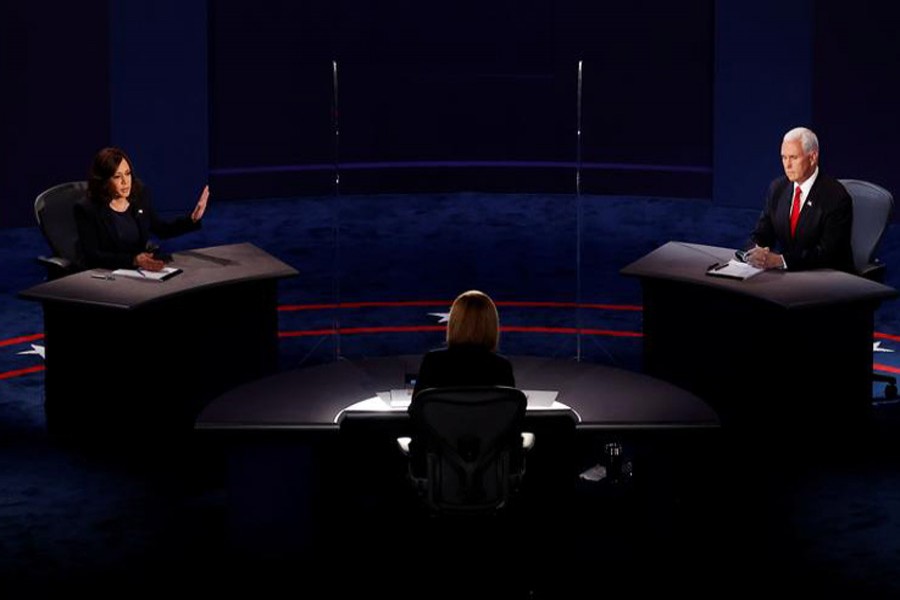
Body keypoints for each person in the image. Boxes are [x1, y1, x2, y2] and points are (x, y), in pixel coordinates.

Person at [75, 147, 209, 271]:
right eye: (117, 176)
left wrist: (192, 219)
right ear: (104, 180)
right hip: (107, 273)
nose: (125, 181)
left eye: (127, 174)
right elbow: (93, 256)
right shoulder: (87, 209)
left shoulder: (139, 195)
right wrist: (133, 260)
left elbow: (161, 229)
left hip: (139, 270)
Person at [745, 126, 853, 272]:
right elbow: (762, 233)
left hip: (828, 278)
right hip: (791, 275)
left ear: (813, 157)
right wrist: (755, 251)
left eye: (794, 158)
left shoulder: (836, 197)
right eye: (784, 157)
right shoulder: (777, 188)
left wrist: (781, 260)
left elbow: (827, 253)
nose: (787, 165)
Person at [411, 289, 514, 401]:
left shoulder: (432, 362)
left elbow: (416, 411)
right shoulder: (502, 367)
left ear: (454, 323)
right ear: (492, 325)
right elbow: (510, 413)